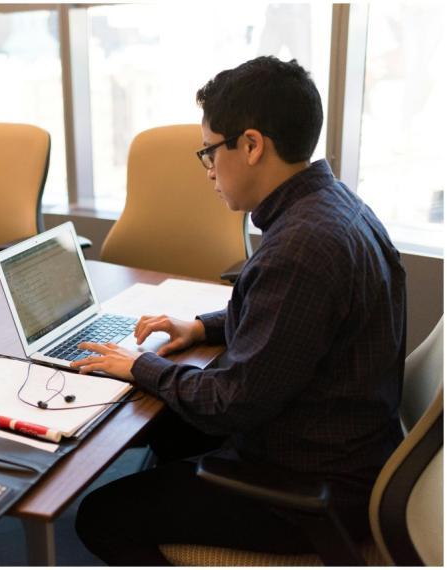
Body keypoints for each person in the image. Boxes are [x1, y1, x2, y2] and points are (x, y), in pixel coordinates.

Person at [71, 56, 406, 565]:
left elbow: (231, 403)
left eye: (209, 151)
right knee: (162, 423)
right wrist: (202, 327)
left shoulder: (301, 248)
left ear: (251, 146)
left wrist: (141, 366)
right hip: (342, 445)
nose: (208, 169)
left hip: (309, 488)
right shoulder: (334, 207)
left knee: (101, 515)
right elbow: (294, 322)